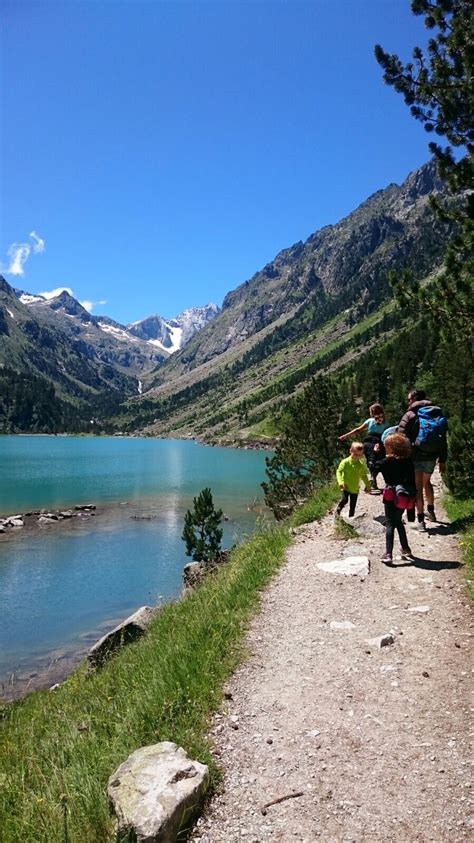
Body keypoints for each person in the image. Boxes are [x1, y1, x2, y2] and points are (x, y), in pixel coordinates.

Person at [398, 389, 447, 530]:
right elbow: (443, 439)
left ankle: (420, 521)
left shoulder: (410, 414)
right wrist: (442, 459)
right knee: (427, 482)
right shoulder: (436, 413)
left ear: (414, 398)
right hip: (432, 454)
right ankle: (431, 512)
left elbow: (400, 436)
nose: (408, 402)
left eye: (409, 399)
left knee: (418, 487)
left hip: (416, 455)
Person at [379, 432, 416, 564]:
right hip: (403, 496)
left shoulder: (387, 461)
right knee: (398, 521)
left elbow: (374, 466)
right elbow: (412, 480)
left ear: (391, 447)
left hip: (390, 495)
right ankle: (405, 548)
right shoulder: (408, 461)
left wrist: (377, 453)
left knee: (390, 523)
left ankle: (388, 553)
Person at [339, 404, 390, 490]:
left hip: (368, 444)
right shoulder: (386, 423)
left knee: (371, 460)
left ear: (372, 413)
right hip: (379, 443)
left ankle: (372, 478)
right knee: (379, 461)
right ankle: (378, 479)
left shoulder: (370, 421)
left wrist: (346, 435)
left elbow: (357, 430)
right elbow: (388, 434)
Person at [335, 442, 371, 517]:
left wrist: (368, 486)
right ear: (350, 451)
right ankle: (338, 511)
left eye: (359, 455)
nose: (357, 457)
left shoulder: (360, 465)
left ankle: (351, 518)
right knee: (345, 500)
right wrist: (341, 482)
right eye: (355, 454)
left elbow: (363, 476)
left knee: (353, 505)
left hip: (355, 489)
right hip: (346, 486)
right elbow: (339, 471)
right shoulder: (345, 462)